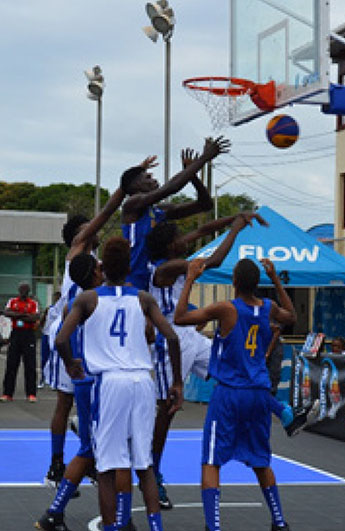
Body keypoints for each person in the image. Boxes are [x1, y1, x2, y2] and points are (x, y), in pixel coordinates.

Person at [144, 210, 271, 509]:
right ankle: (153, 473)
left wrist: (233, 217)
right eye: (178, 238)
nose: (184, 240)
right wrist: (236, 230)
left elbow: (202, 230)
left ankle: (279, 412)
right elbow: (212, 262)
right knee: (167, 409)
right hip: (169, 341)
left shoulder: (173, 256)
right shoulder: (163, 269)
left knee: (230, 369)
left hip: (191, 337)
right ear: (170, 247)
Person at [55, 236, 182, 531]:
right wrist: (176, 382)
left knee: (108, 467)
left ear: (103, 268)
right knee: (145, 465)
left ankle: (112, 527)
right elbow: (172, 337)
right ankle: (156, 527)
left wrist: (70, 363)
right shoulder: (143, 298)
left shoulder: (87, 299)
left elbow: (62, 338)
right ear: (128, 268)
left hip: (111, 382)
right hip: (143, 381)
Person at [174, 257, 309, 531]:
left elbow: (180, 318)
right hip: (258, 394)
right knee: (261, 460)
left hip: (230, 393)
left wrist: (189, 278)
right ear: (257, 282)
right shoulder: (268, 307)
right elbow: (292, 316)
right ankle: (279, 522)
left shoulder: (227, 309)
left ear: (233, 282)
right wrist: (276, 279)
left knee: (211, 461)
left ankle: (213, 527)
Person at [43, 184, 127, 491]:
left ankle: (88, 455)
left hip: (89, 333)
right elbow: (104, 215)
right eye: (85, 227)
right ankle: (55, 465)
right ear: (77, 236)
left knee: (95, 399)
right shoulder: (77, 253)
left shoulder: (97, 264)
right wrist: (124, 188)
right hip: (68, 332)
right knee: (64, 403)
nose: (93, 228)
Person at [35, 254, 103, 531]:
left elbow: (64, 334)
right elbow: (62, 337)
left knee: (97, 450)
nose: (101, 268)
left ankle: (55, 513)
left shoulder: (76, 303)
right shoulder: (94, 301)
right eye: (98, 267)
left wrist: (70, 362)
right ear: (92, 274)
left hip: (88, 380)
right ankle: (54, 513)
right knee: (97, 451)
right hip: (95, 383)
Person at [120, 140, 228, 291]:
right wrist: (204, 158)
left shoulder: (158, 211)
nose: (154, 180)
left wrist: (193, 176)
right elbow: (171, 188)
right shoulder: (132, 204)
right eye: (148, 178)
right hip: (133, 281)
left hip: (153, 279)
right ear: (136, 185)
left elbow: (205, 205)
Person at [1, 282, 40, 402]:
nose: (23, 292)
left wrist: (16, 315)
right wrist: (23, 315)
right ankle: (7, 393)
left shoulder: (33, 303)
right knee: (11, 364)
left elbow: (35, 317)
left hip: (28, 334)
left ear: (28, 291)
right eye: (21, 289)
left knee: (30, 365)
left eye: (25, 290)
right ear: (19, 290)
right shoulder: (12, 301)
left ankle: (31, 394)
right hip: (16, 334)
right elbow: (6, 312)